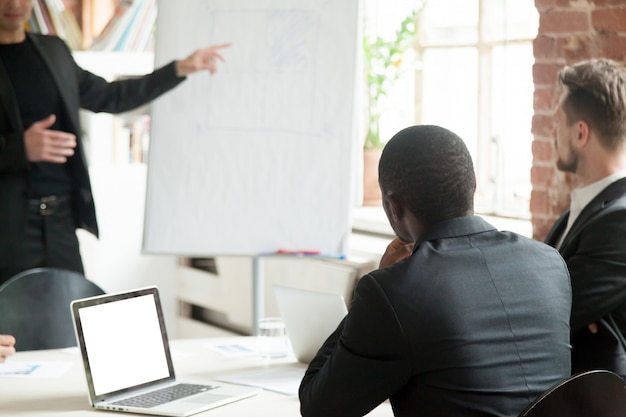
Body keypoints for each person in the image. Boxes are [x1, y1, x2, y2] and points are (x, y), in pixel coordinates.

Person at [299, 125, 572, 417]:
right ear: (473, 186)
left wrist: (379, 287)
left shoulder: (394, 291)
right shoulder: (550, 263)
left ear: (393, 206)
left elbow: (318, 406)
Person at [0, 0, 230, 284]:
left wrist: (178, 69)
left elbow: (110, 96)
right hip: (8, 226)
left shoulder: (52, 50)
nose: (14, 4)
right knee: (10, 321)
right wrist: (19, 148)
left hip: (60, 221)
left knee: (69, 314)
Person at [544, 58, 626, 377]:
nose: (553, 136)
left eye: (557, 123)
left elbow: (548, 313)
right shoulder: (572, 215)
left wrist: (562, 311)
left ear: (580, 133)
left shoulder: (620, 221)